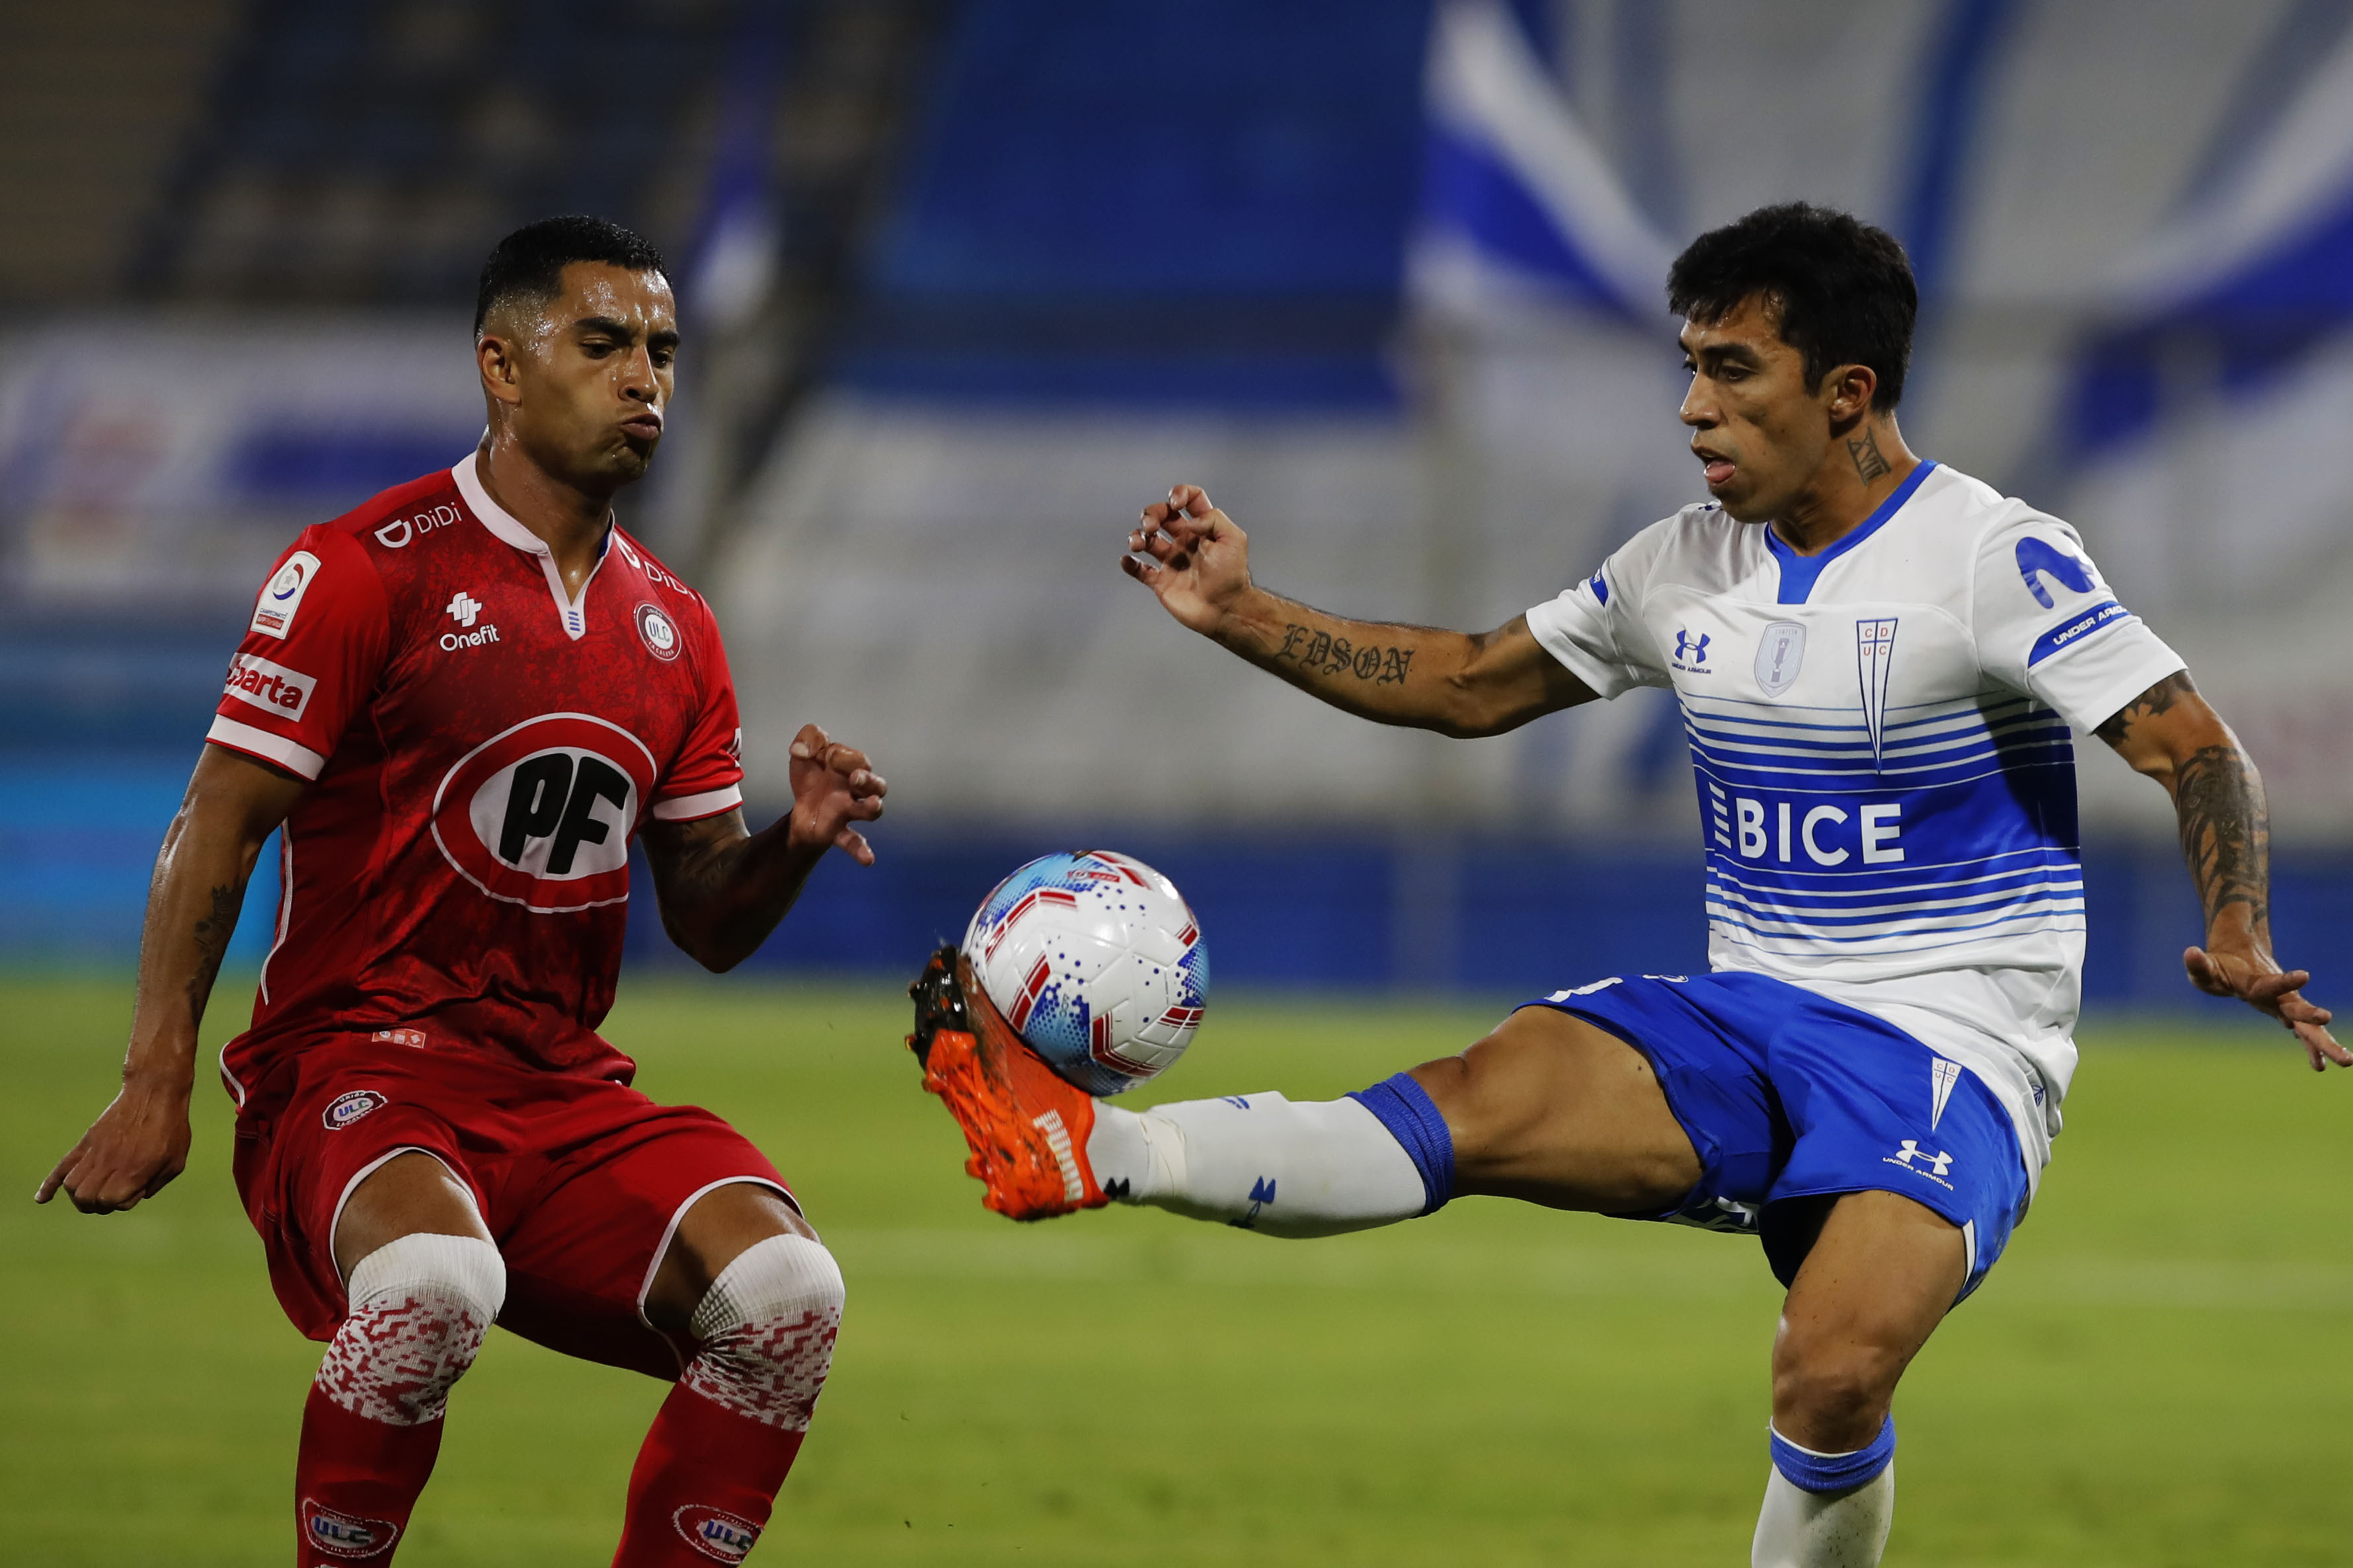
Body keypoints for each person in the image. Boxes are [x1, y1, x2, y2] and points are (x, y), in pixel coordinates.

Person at [904, 202, 2342, 1568]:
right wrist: (1238, 609)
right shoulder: (1680, 563)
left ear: (1846, 392)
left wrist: (2235, 921)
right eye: (1687, 368)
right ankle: (1096, 1150)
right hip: (1745, 1021)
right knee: (1475, 1097)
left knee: (1830, 1365)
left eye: (1731, 369)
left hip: (1951, 1048)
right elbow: (1470, 683)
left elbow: (2192, 747)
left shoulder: (1993, 556)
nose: (1691, 407)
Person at [36, 215, 886, 1567]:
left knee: (789, 1292)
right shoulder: (364, 568)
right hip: (355, 1068)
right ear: (502, 365)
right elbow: (219, 818)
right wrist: (155, 1078)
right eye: (602, 343)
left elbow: (706, 922)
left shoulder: (676, 628)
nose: (645, 380)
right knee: (436, 1285)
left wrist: (792, 838)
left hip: (557, 1087)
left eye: (663, 351)